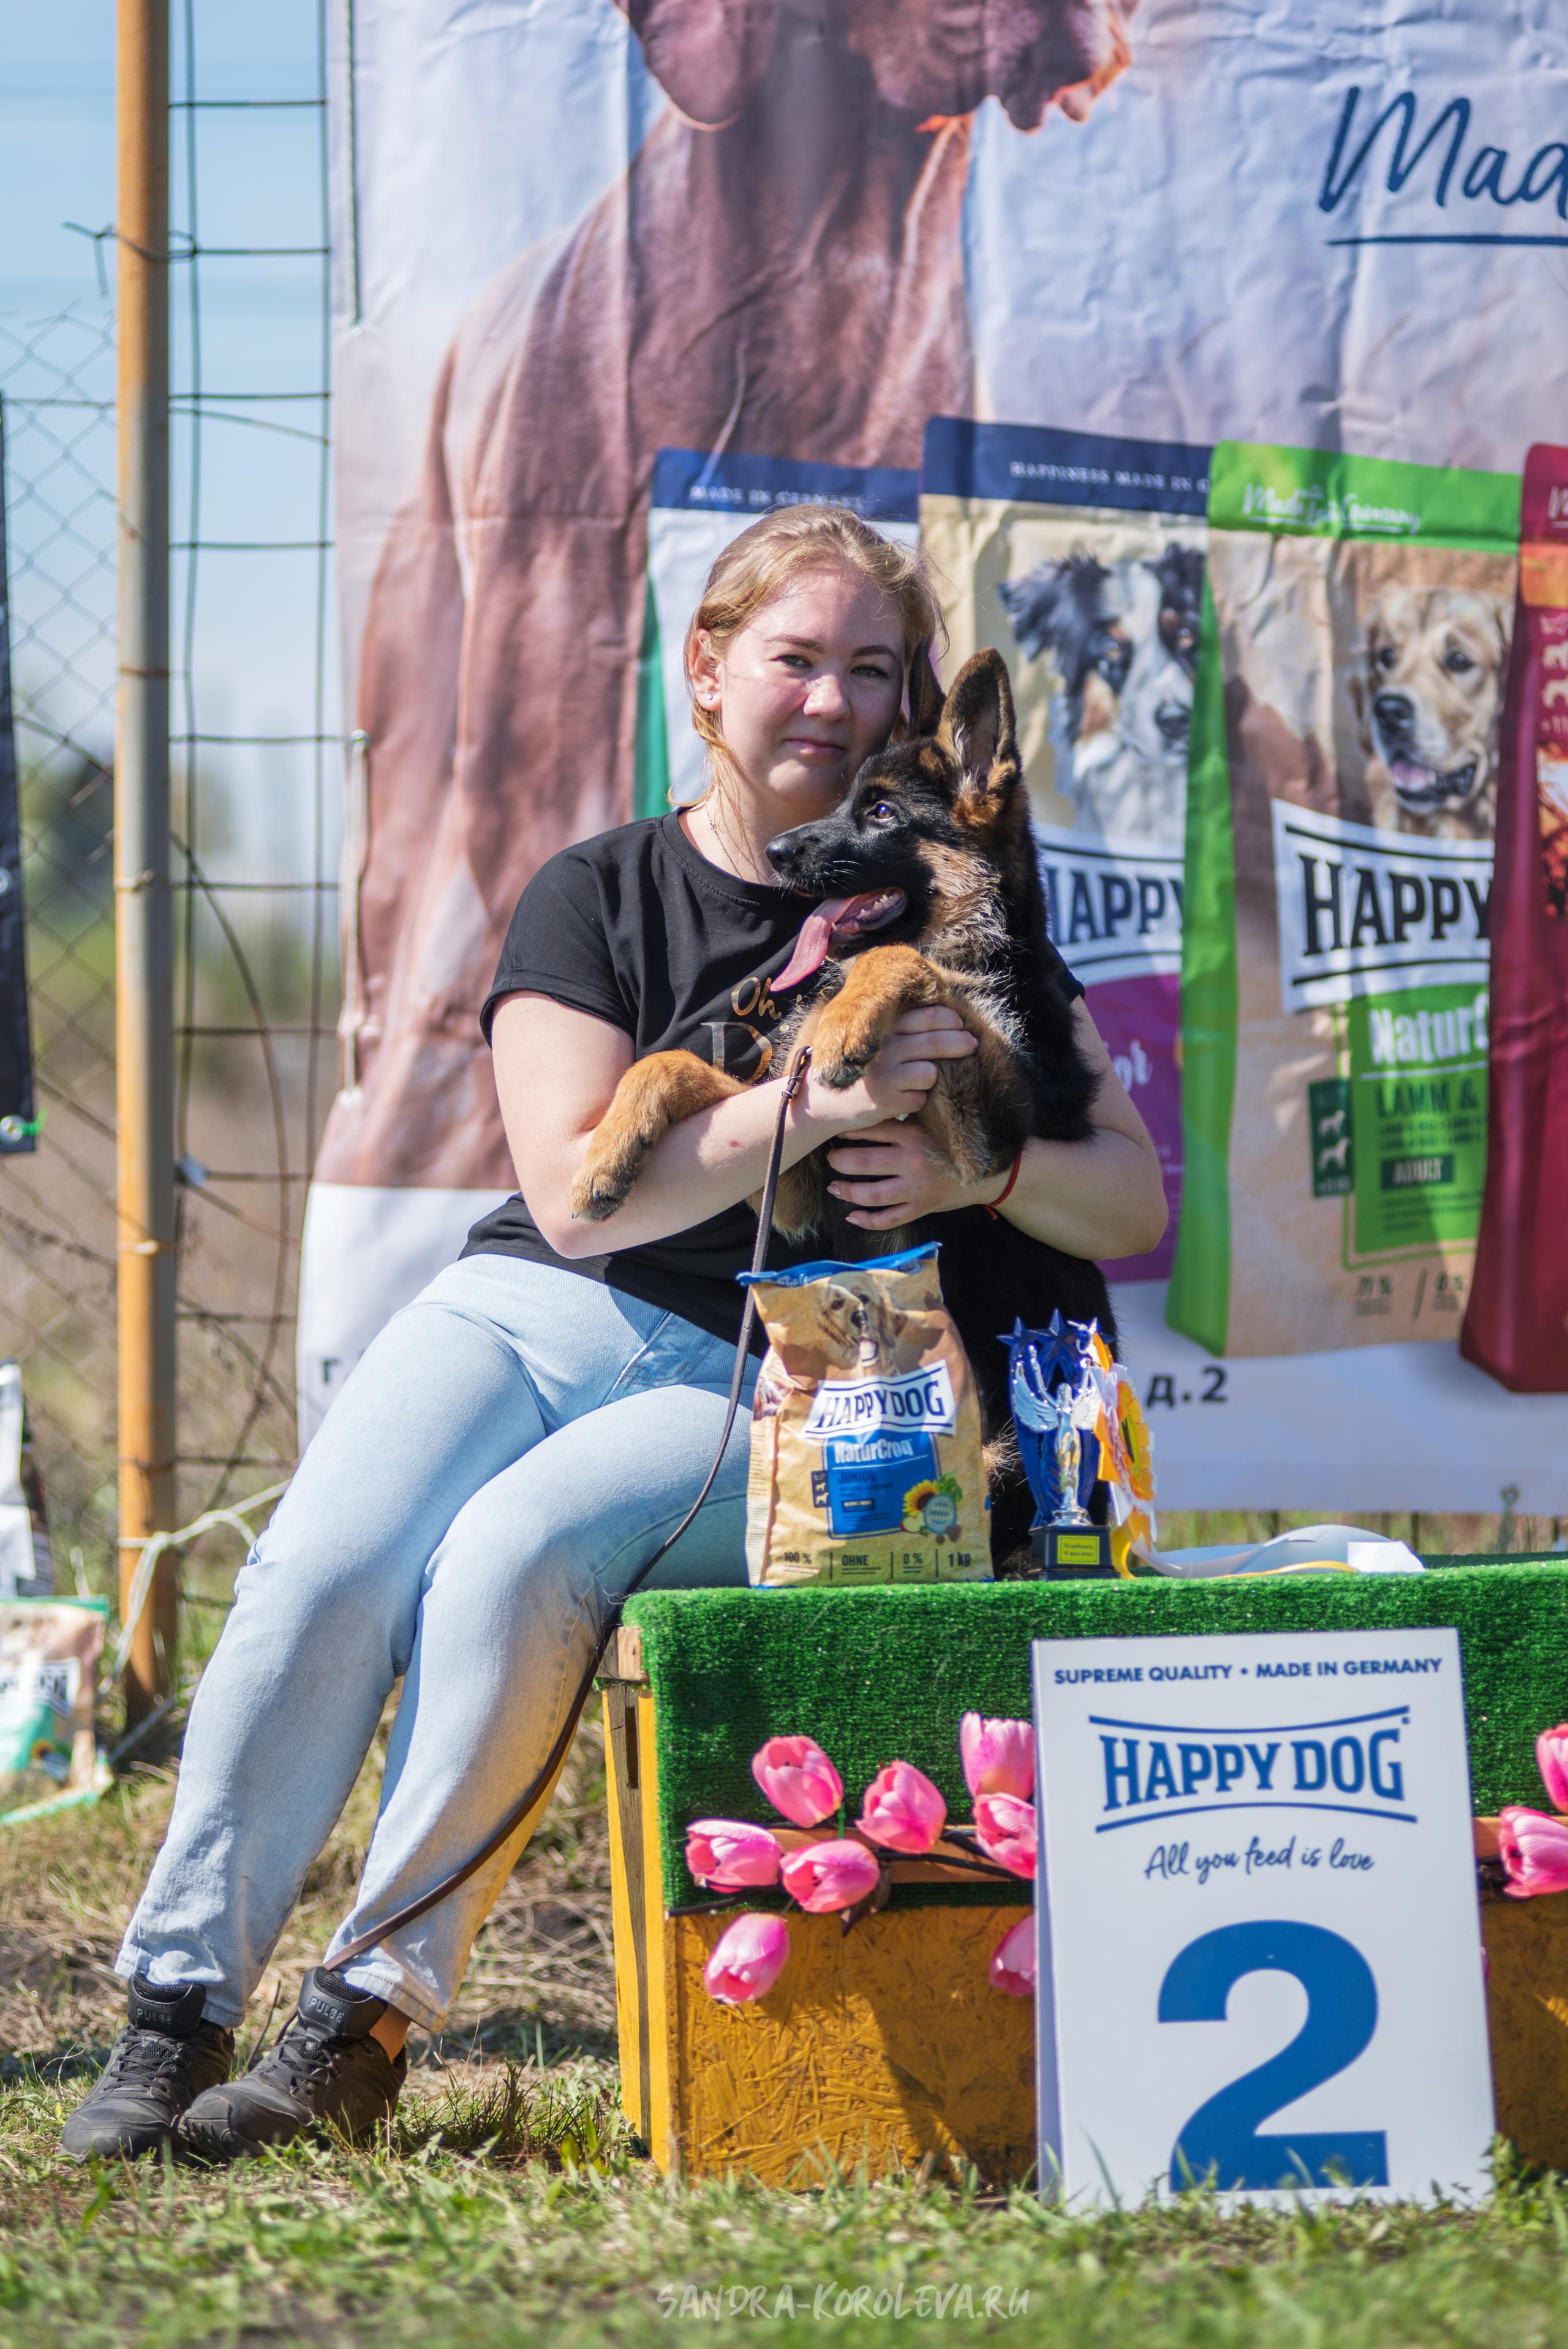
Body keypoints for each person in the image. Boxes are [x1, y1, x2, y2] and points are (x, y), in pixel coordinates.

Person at [62, 506, 1165, 2165]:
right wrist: (810, 1104)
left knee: (512, 1559)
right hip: (546, 1300)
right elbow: (585, 1200)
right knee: (324, 1559)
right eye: (794, 658)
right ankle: (171, 2006)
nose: (833, 698)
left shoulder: (952, 889)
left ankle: (352, 2026)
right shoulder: (598, 890)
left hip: (801, 1356)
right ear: (708, 673)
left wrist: (982, 1163)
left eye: (874, 668)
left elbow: (1132, 1201)